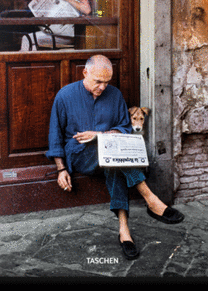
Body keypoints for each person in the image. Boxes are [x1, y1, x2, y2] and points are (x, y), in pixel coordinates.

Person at [46, 55, 184, 260]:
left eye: (107, 82)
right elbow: (55, 135)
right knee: (112, 156)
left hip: (111, 153)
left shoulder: (115, 95)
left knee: (113, 163)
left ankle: (124, 231)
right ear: (85, 73)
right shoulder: (65, 96)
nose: (102, 87)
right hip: (80, 155)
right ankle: (151, 199)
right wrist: (61, 169)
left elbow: (124, 128)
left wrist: (99, 135)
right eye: (98, 81)